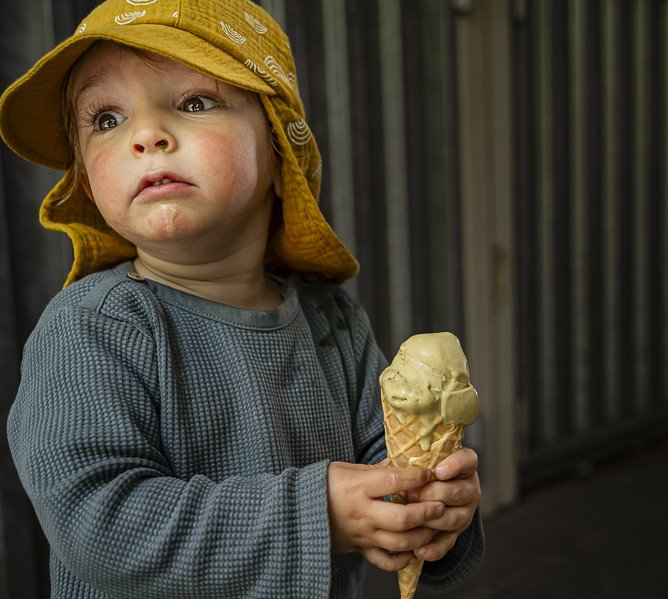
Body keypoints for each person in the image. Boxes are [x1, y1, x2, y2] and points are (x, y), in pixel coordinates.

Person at [0, 1, 483, 597]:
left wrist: (432, 508)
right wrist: (318, 514)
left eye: (194, 102)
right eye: (106, 119)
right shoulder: (88, 329)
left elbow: (386, 477)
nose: (147, 136)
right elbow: (98, 525)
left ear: (281, 155)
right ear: (87, 183)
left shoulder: (331, 320)